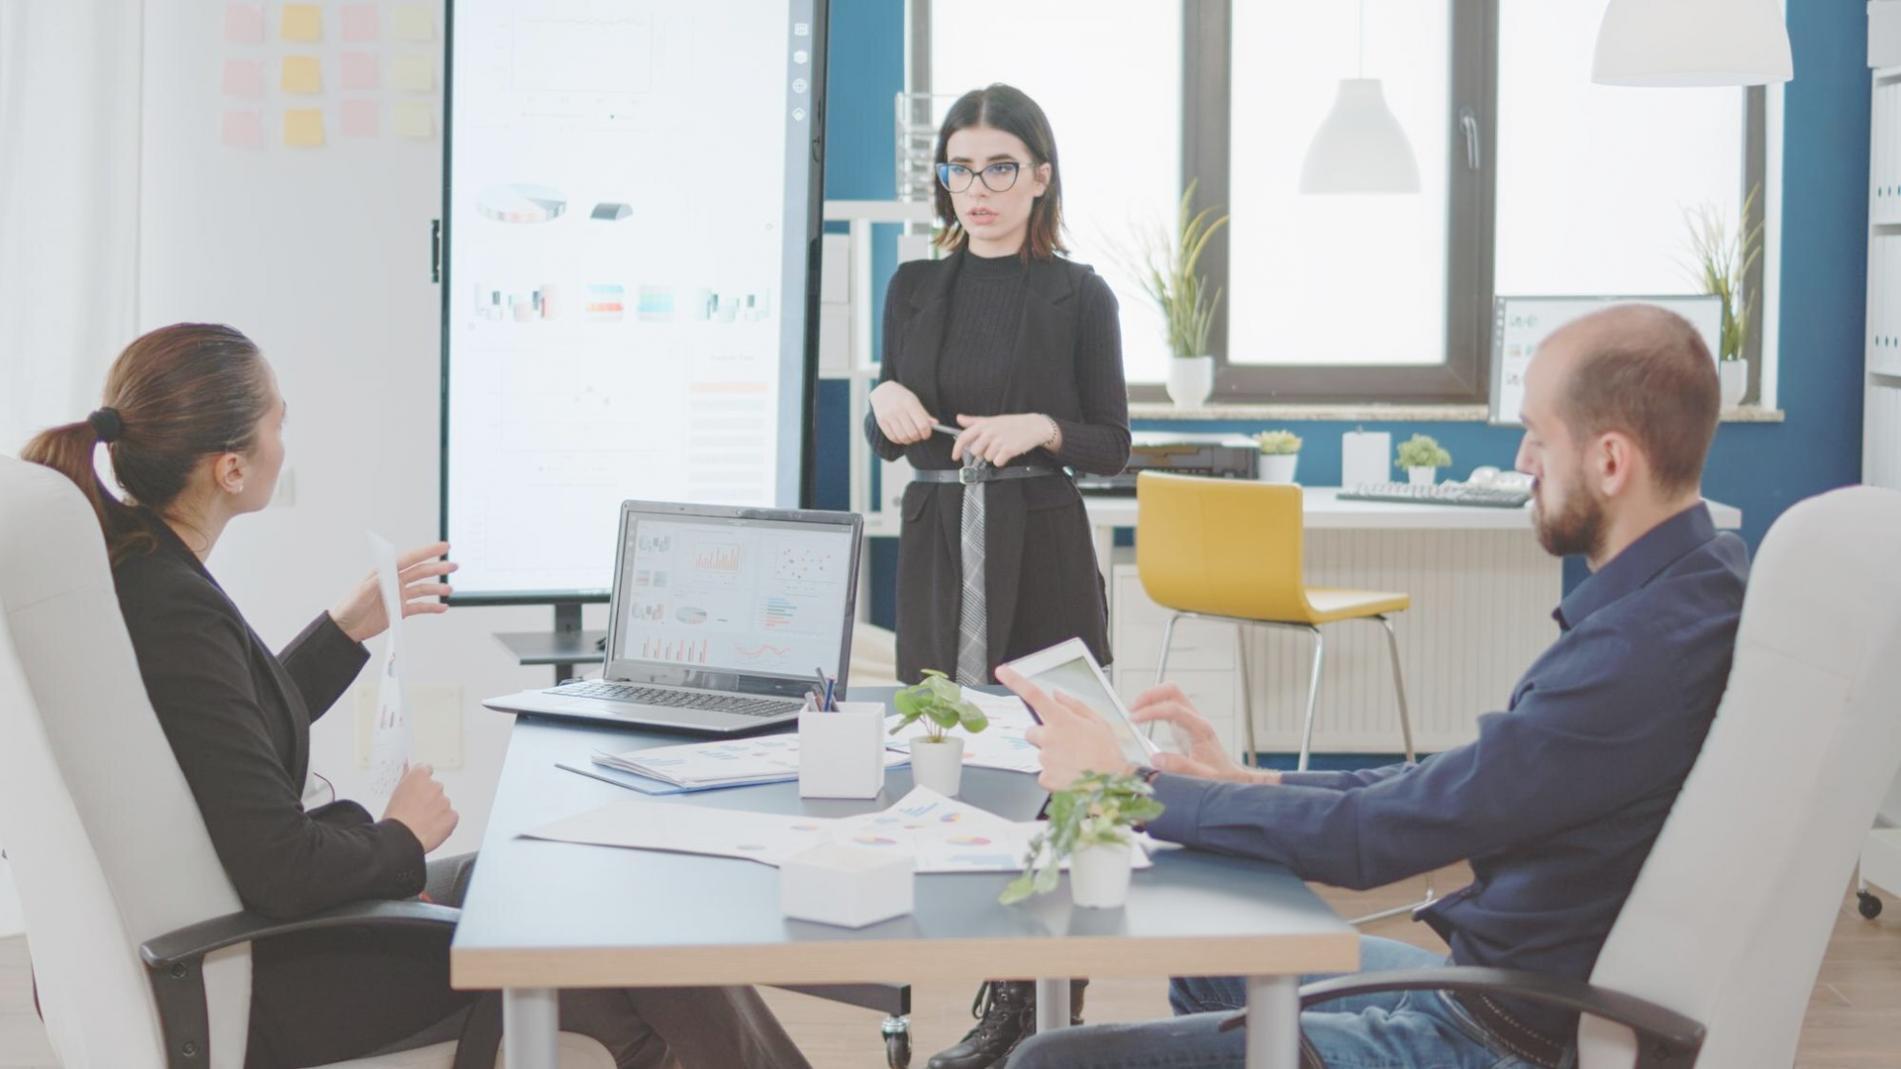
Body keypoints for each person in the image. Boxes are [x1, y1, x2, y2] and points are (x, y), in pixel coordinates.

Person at [22, 323, 810, 1069]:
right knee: (627, 932)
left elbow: (226, 735)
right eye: (277, 422)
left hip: (281, 939)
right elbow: (280, 867)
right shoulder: (175, 609)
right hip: (291, 969)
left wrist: (344, 629)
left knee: (593, 888)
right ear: (230, 467)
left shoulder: (143, 572)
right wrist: (402, 835)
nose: (283, 442)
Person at [998, 304, 1749, 1069]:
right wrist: (1250, 782)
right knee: (1218, 951)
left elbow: (1375, 836)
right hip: (1488, 987)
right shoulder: (1692, 587)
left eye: (1536, 435)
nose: (1522, 459)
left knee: (1047, 1062)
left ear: (1610, 461)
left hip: (1492, 1036)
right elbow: (1450, 786)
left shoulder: (1633, 654)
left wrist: (1129, 783)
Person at [864, 82, 1131, 1067]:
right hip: (940, 539)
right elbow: (890, 435)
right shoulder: (912, 287)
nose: (976, 189)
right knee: (947, 757)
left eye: (999, 168)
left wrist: (1043, 426)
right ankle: (989, 984)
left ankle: (1033, 1005)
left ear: (1039, 177)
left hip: (1039, 540)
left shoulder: (1080, 294)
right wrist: (882, 399)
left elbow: (1111, 443)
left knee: (1059, 770)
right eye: (960, 169)